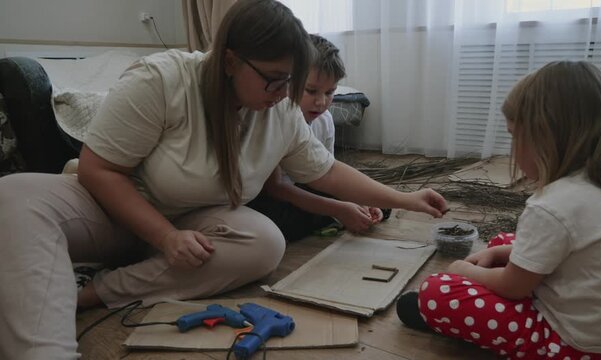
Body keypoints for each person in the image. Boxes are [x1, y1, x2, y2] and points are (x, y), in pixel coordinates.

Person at [0, 1, 447, 359]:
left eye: (291, 83)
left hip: (185, 219)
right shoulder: (162, 79)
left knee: (264, 242)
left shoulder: (280, 110)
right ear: (231, 60)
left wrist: (407, 199)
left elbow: (325, 171)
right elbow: (100, 171)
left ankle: (93, 292)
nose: (285, 95)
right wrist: (166, 236)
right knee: (14, 195)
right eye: (275, 81)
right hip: (108, 209)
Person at [397, 61, 601, 359]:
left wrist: (463, 270)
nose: (513, 147)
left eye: (514, 135)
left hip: (575, 345)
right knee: (505, 242)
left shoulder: (552, 206)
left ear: (545, 138)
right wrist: (497, 255)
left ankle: (450, 318)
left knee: (437, 291)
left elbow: (513, 287)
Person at [247, 34, 383, 241]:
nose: (321, 102)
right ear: (287, 83)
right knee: (275, 224)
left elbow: (327, 173)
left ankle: (343, 213)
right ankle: (335, 216)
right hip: (273, 196)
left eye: (330, 92)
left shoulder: (324, 119)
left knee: (375, 201)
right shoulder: (276, 118)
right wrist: (338, 208)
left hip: (306, 185)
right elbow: (276, 188)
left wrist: (356, 199)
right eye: (311, 91)